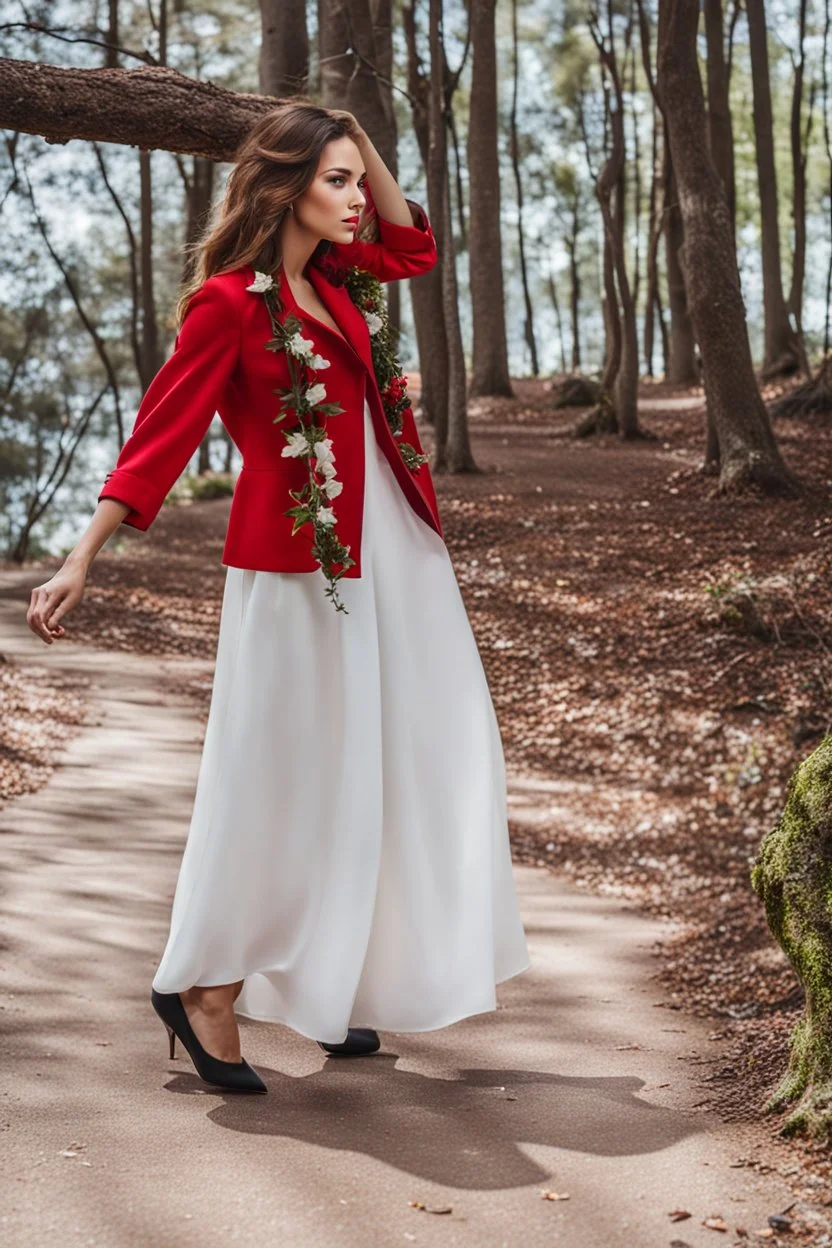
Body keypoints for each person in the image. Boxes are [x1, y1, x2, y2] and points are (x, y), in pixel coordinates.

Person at [25, 101, 531, 1094]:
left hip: (393, 554)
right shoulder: (229, 303)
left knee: (401, 757)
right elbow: (158, 439)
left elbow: (414, 245)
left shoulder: (337, 281)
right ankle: (203, 985)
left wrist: (356, 135)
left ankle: (328, 979)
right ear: (284, 186)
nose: (356, 200)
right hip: (296, 569)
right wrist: (82, 554)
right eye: (334, 180)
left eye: (356, 179)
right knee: (284, 774)